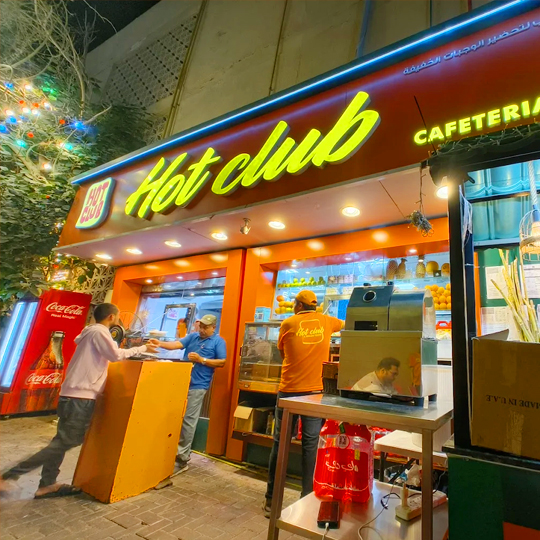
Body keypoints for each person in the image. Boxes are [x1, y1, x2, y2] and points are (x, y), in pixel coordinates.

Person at [0, 303, 158, 499]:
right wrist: (142, 348)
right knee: (69, 440)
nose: (118, 320)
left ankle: (47, 484)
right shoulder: (99, 332)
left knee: (60, 441)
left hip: (71, 394)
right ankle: (9, 476)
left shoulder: (88, 332)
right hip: (81, 396)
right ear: (111, 317)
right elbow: (116, 355)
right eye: (117, 316)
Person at [263, 290, 343, 517]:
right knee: (311, 446)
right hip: (315, 392)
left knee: (280, 444)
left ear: (298, 305)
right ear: (314, 306)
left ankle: (271, 500)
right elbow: (348, 324)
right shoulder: (327, 321)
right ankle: (307, 498)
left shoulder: (288, 323)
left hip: (289, 391)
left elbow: (282, 352)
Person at [155, 314, 227, 473]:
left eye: (205, 327)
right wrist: (159, 343)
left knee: (188, 420)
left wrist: (202, 359)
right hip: (181, 382)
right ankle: (168, 453)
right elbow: (176, 344)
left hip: (198, 385)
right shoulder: (193, 337)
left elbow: (222, 362)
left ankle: (182, 460)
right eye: (201, 326)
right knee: (174, 416)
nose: (201, 330)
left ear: (213, 327)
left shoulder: (218, 341)